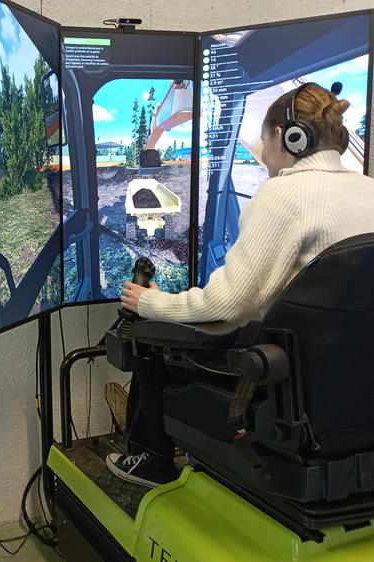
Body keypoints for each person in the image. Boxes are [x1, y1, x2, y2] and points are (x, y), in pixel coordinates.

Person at [108, 83, 374, 488]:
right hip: (356, 395)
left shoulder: (283, 194)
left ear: (288, 138)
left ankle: (153, 462)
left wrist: (151, 303)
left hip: (289, 396)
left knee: (149, 344)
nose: (263, 152)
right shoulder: (369, 190)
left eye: (264, 140)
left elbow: (228, 305)